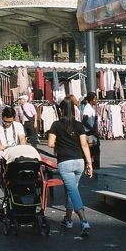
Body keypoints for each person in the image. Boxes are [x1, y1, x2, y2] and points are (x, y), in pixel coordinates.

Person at [47, 96, 94, 237]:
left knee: (72, 191)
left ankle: (83, 221)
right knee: (71, 189)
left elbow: (50, 143)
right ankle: (68, 219)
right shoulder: (79, 125)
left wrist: (60, 144)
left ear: (60, 110)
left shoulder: (56, 125)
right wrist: (89, 164)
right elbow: (84, 144)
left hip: (65, 162)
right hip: (79, 161)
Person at [81, 92, 101, 169]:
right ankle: (94, 166)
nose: (96, 100)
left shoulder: (90, 107)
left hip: (91, 132)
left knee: (93, 150)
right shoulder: (87, 108)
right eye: (95, 99)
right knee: (94, 150)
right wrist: (92, 130)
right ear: (91, 100)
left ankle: (93, 165)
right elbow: (84, 121)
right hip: (89, 133)